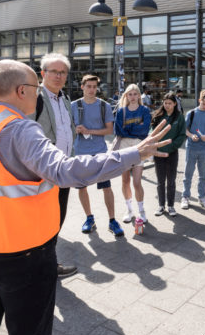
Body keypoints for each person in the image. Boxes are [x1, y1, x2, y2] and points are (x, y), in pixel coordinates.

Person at [0, 59, 170, 335]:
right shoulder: (20, 129)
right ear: (22, 90)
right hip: (20, 254)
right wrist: (132, 154)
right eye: (36, 88)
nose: (39, 95)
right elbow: (66, 170)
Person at [33, 53, 78, 278]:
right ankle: (42, 266)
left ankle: (48, 262)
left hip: (64, 169)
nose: (59, 76)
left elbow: (69, 130)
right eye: (54, 71)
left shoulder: (65, 99)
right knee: (42, 220)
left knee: (57, 218)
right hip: (44, 172)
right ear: (43, 73)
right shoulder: (35, 98)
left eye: (63, 72)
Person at [71, 75, 122, 238]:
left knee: (106, 186)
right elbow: (67, 129)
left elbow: (109, 130)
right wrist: (76, 130)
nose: (92, 90)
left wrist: (89, 131)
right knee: (81, 187)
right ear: (82, 87)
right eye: (89, 86)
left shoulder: (104, 106)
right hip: (80, 152)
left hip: (99, 151)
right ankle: (89, 218)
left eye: (94, 87)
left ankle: (112, 220)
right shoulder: (73, 105)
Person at [114, 84, 152, 226]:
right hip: (124, 147)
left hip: (139, 146)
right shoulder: (121, 111)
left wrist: (128, 129)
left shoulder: (144, 110)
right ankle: (129, 210)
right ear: (126, 96)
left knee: (137, 182)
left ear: (139, 95)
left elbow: (144, 130)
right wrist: (135, 129)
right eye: (130, 94)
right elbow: (119, 131)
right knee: (125, 181)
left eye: (135, 94)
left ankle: (141, 211)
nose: (133, 97)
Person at [181, 90, 205, 209]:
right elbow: (185, 130)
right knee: (188, 174)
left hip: (204, 148)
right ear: (199, 100)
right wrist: (191, 135)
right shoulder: (191, 113)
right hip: (191, 147)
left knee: (203, 175)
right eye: (203, 103)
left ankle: (201, 197)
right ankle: (185, 197)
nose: (204, 106)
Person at [151, 91, 186, 216]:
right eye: (165, 103)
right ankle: (161, 205)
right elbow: (152, 132)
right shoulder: (158, 116)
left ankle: (171, 206)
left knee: (171, 180)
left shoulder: (179, 117)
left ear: (175, 104)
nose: (167, 105)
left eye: (169, 103)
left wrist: (171, 146)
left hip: (172, 153)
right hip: (159, 153)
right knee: (160, 181)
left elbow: (182, 135)